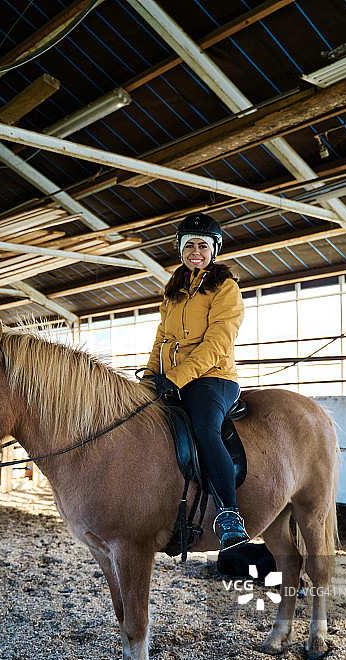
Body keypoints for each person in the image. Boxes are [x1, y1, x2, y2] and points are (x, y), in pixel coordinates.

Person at [143, 212, 250, 551]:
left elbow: (217, 343)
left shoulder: (225, 288)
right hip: (173, 378)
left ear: (213, 250)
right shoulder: (173, 291)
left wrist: (173, 379)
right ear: (180, 250)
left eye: (202, 246)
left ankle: (229, 516)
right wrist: (149, 378)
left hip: (212, 378)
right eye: (189, 245)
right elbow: (161, 339)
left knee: (204, 429)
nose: (195, 251)